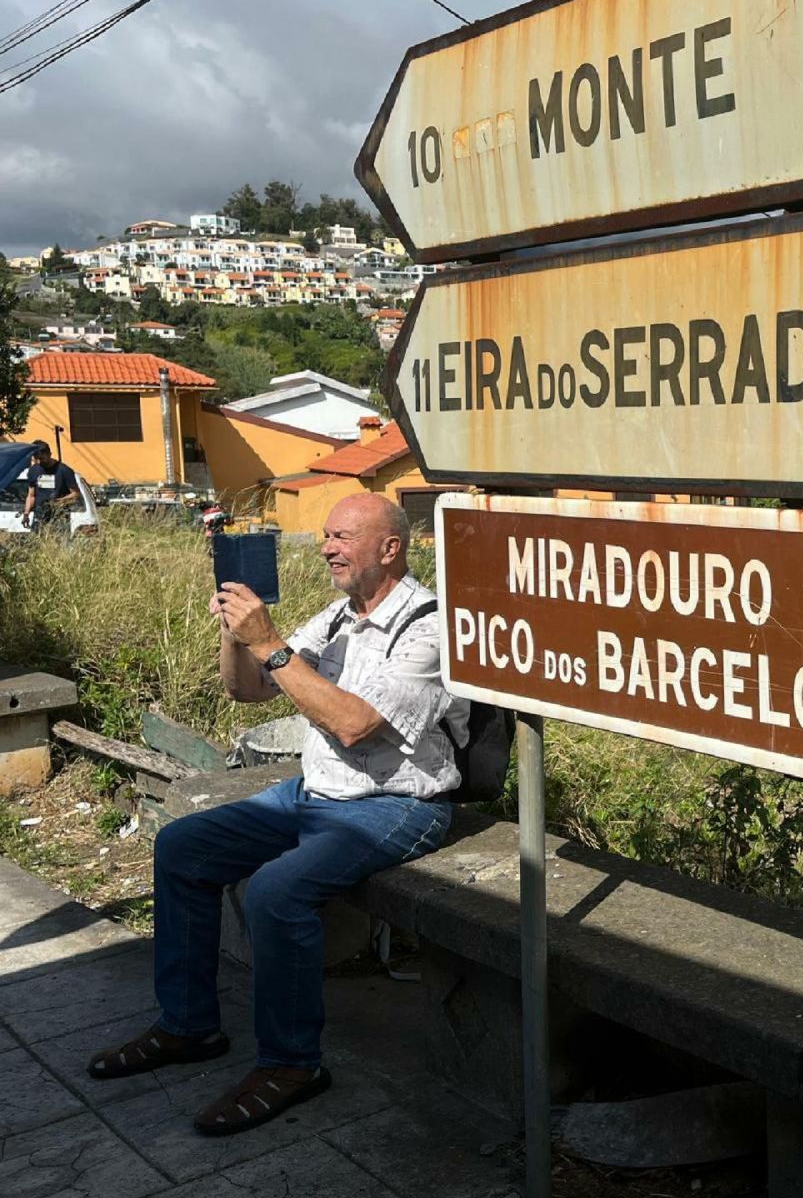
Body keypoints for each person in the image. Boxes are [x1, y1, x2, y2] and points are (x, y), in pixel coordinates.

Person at [85, 494, 468, 1136]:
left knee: (275, 892)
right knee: (182, 847)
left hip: (398, 803)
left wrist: (269, 642)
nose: (326, 547)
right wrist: (237, 637)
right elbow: (248, 688)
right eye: (325, 535)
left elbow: (352, 725)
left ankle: (293, 1066)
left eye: (343, 536)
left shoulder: (430, 626)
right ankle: (189, 1027)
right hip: (316, 792)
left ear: (390, 547)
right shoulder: (339, 617)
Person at [21, 440, 79, 536]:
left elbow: (75, 493)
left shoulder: (64, 470)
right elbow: (31, 495)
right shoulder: (33, 470)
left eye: (43, 458)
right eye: (38, 459)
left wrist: (58, 501)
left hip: (60, 515)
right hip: (40, 515)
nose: (41, 461)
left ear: (49, 454)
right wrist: (26, 514)